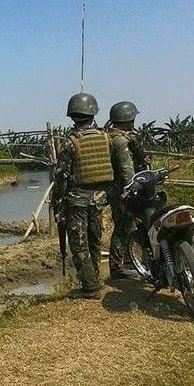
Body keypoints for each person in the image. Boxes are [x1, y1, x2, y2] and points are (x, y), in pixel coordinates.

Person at [55, 93, 114, 299]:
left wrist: (58, 204)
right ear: (93, 113)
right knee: (94, 239)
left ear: (72, 116)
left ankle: (90, 287)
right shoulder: (105, 138)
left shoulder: (70, 143)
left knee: (79, 244)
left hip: (77, 200)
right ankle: (95, 279)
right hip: (99, 199)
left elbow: (61, 177)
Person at [105, 101, 148, 279]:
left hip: (114, 189)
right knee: (124, 227)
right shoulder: (121, 140)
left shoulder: (107, 137)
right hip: (123, 191)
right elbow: (126, 169)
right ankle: (118, 267)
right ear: (128, 119)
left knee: (128, 226)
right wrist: (132, 189)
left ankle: (130, 262)